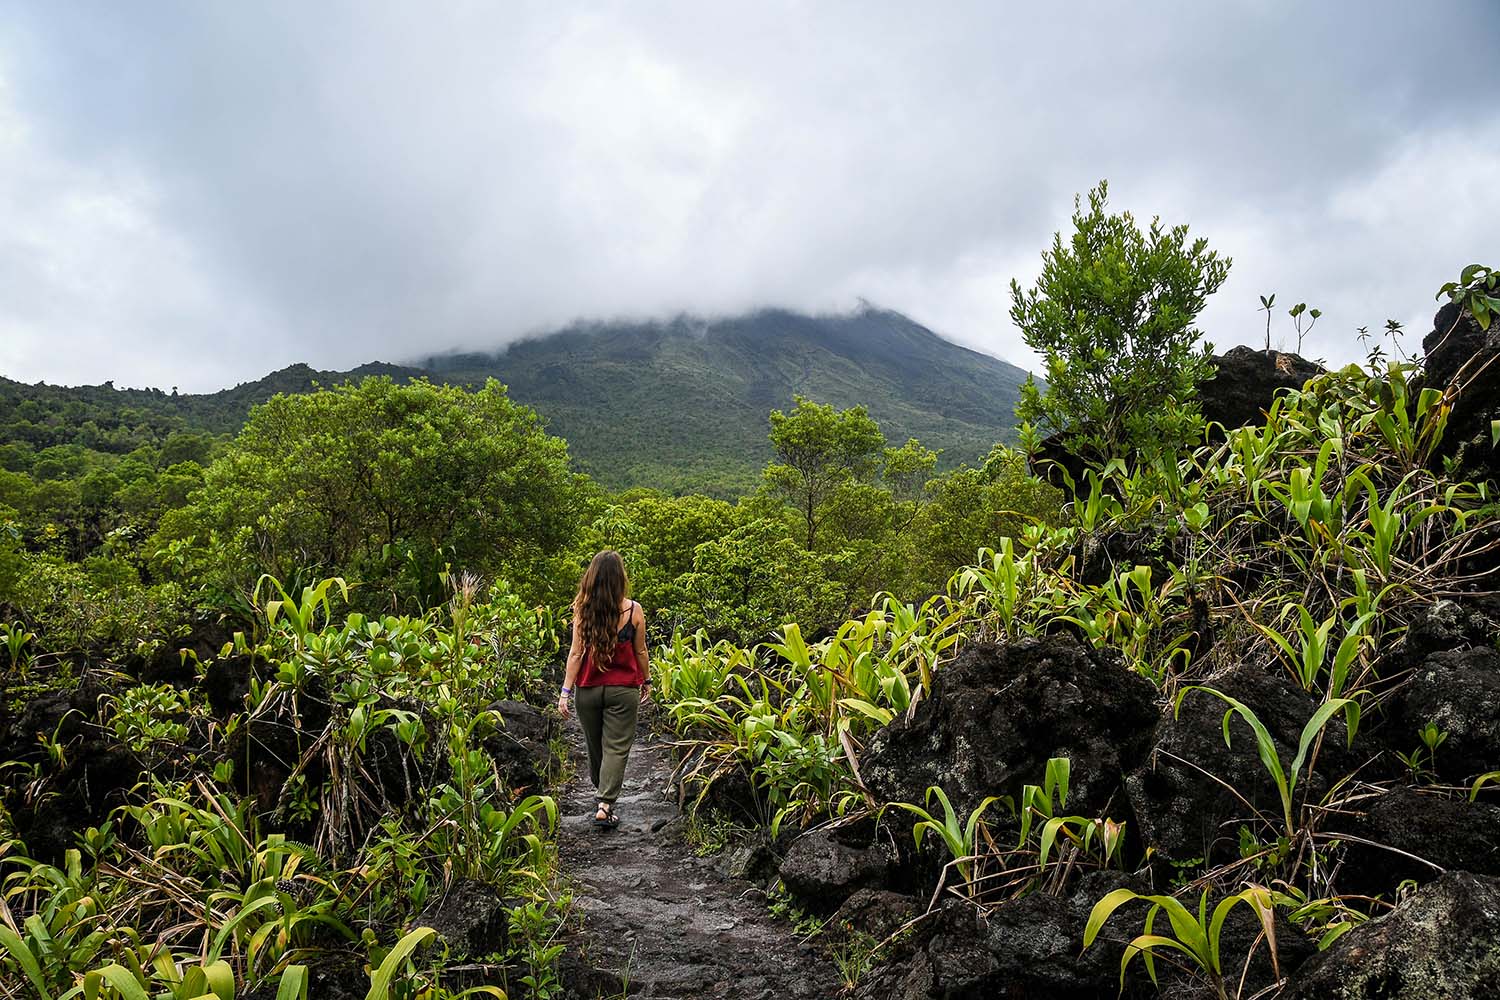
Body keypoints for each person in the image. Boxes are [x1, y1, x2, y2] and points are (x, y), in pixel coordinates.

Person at [557, 550, 651, 829]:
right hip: (623, 690)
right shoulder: (634, 610)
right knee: (617, 746)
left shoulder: (582, 609)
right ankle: (605, 803)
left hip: (588, 690)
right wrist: (647, 681)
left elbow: (575, 654)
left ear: (592, 578)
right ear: (620, 578)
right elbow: (641, 650)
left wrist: (565, 691)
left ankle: (602, 792)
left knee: (595, 743)